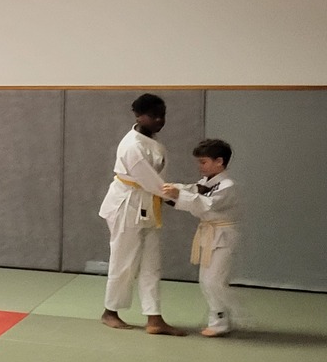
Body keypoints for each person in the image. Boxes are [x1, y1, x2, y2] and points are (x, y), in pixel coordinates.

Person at [99, 94, 188, 336]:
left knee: (152, 264)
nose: (160, 120)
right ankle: (110, 312)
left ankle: (154, 318)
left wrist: (176, 194)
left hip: (148, 203)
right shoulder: (132, 145)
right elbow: (151, 182)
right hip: (127, 206)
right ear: (139, 116)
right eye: (154, 116)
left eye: (163, 115)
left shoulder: (153, 141)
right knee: (123, 261)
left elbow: (158, 182)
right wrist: (182, 198)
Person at [162, 139, 241, 337]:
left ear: (219, 162)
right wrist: (169, 191)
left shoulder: (227, 185)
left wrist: (178, 194)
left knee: (214, 280)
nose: (200, 166)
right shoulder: (206, 183)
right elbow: (193, 191)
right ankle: (219, 319)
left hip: (223, 235)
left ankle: (223, 319)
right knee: (206, 280)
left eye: (204, 162)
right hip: (209, 234)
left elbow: (207, 204)